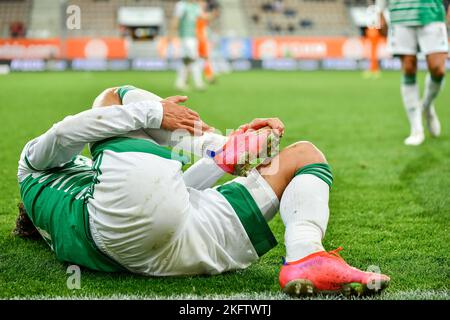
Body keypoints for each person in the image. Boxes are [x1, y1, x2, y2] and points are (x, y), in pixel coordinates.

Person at [15, 86, 390, 296]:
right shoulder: (30, 168)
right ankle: (219, 144)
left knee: (304, 156)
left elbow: (168, 197)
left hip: (162, 252)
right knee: (113, 98)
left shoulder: (74, 197)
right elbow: (68, 132)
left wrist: (226, 162)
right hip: (115, 227)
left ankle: (306, 257)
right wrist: (156, 114)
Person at [377, 0, 449, 146]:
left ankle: (426, 106)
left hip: (432, 13)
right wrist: (380, 11)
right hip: (400, 15)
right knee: (408, 68)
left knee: (438, 70)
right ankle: (416, 129)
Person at [170, 0, 205, 91]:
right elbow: (176, 19)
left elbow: (203, 17)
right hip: (185, 37)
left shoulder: (196, 6)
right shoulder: (181, 5)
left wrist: (213, 14)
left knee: (186, 61)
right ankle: (198, 83)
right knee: (193, 59)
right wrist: (172, 33)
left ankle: (181, 82)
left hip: (193, 37)